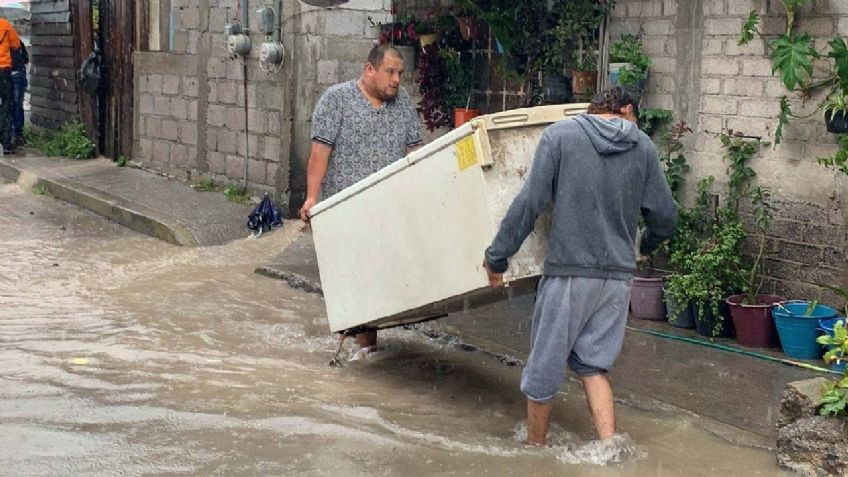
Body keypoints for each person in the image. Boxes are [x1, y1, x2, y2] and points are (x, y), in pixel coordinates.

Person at [483, 87, 678, 445]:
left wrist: (498, 256)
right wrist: (643, 245)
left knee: (544, 367)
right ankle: (608, 446)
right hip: (618, 279)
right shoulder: (644, 147)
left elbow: (531, 202)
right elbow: (665, 217)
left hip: (569, 274)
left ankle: (535, 453)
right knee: (593, 365)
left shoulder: (560, 136)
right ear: (627, 110)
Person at [299, 44, 423, 351]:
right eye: (390, 72)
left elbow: (415, 153)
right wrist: (312, 198)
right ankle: (355, 353)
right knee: (352, 287)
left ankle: (366, 352)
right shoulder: (337, 100)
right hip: (346, 212)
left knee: (376, 288)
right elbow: (319, 154)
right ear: (370, 70)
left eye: (400, 74)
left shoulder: (403, 104)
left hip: (387, 212)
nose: (396, 80)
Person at [0, 17, 21, 153]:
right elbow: (16, 44)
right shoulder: (5, 25)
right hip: (3, 70)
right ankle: (6, 142)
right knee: (5, 104)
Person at [10, 40, 27, 147]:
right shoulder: (17, 41)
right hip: (18, 73)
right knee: (17, 105)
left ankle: (11, 134)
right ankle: (17, 134)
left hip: (8, 73)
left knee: (9, 105)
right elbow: (25, 59)